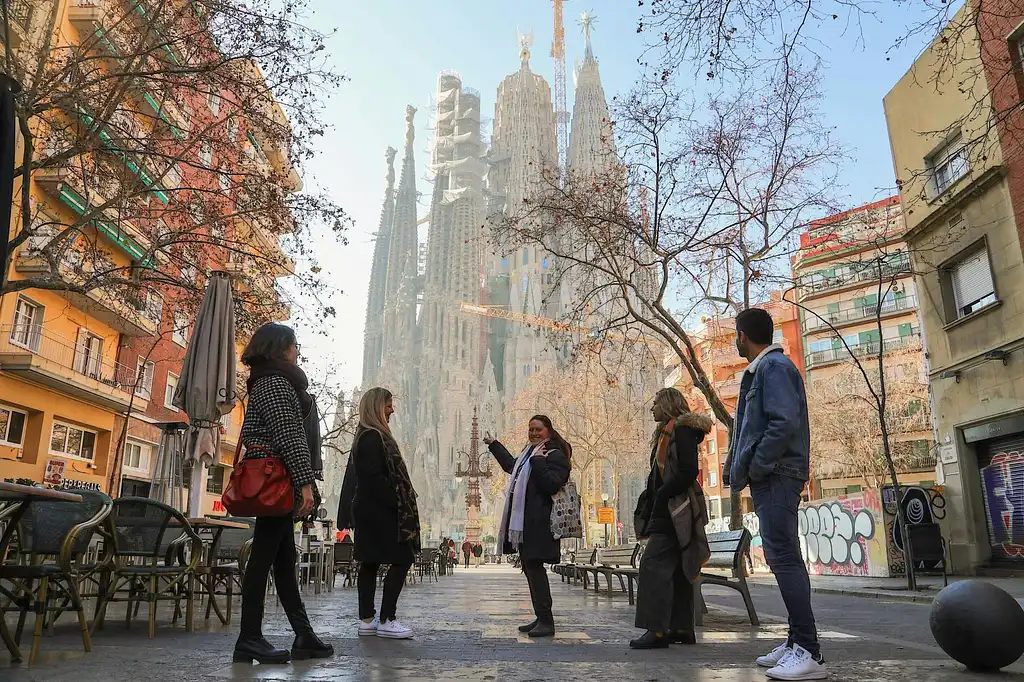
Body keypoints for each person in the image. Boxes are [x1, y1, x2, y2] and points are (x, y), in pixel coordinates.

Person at [723, 308, 823, 681]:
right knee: (784, 556)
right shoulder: (764, 370)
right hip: (773, 475)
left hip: (778, 474)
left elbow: (783, 423)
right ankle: (796, 641)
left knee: (783, 558)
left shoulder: (774, 368)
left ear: (744, 336)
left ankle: (809, 651)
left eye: (736, 334)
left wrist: (758, 465)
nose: (735, 340)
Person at [234, 323, 333, 665]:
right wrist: (306, 483)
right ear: (279, 348)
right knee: (263, 558)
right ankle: (249, 638)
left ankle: (303, 635)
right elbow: (289, 435)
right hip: (275, 478)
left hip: (275, 475)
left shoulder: (272, 380)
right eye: (294, 345)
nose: (298, 351)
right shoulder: (275, 383)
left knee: (283, 559)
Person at [631, 387, 713, 650]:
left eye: (655, 403)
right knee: (678, 571)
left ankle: (656, 630)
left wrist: (663, 494)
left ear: (666, 404)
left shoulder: (681, 430)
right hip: (669, 508)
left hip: (673, 511)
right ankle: (681, 628)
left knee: (652, 566)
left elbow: (688, 471)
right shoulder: (669, 431)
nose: (651, 407)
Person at [484, 415, 571, 638]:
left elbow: (552, 484)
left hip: (540, 525)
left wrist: (539, 462)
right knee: (531, 570)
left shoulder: (554, 455)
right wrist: (494, 445)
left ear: (549, 431)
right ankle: (541, 616)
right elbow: (512, 467)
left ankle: (546, 620)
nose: (533, 433)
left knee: (535, 571)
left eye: (538, 429)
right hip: (527, 525)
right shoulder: (528, 455)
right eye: (531, 429)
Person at [350, 387, 421, 640]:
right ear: (377, 407)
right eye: (388, 405)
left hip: (370, 511)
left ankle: (367, 621)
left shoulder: (367, 435)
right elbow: (374, 479)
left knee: (369, 563)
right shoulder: (372, 437)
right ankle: (386, 619)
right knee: (403, 558)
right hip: (380, 512)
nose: (392, 410)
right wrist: (398, 501)